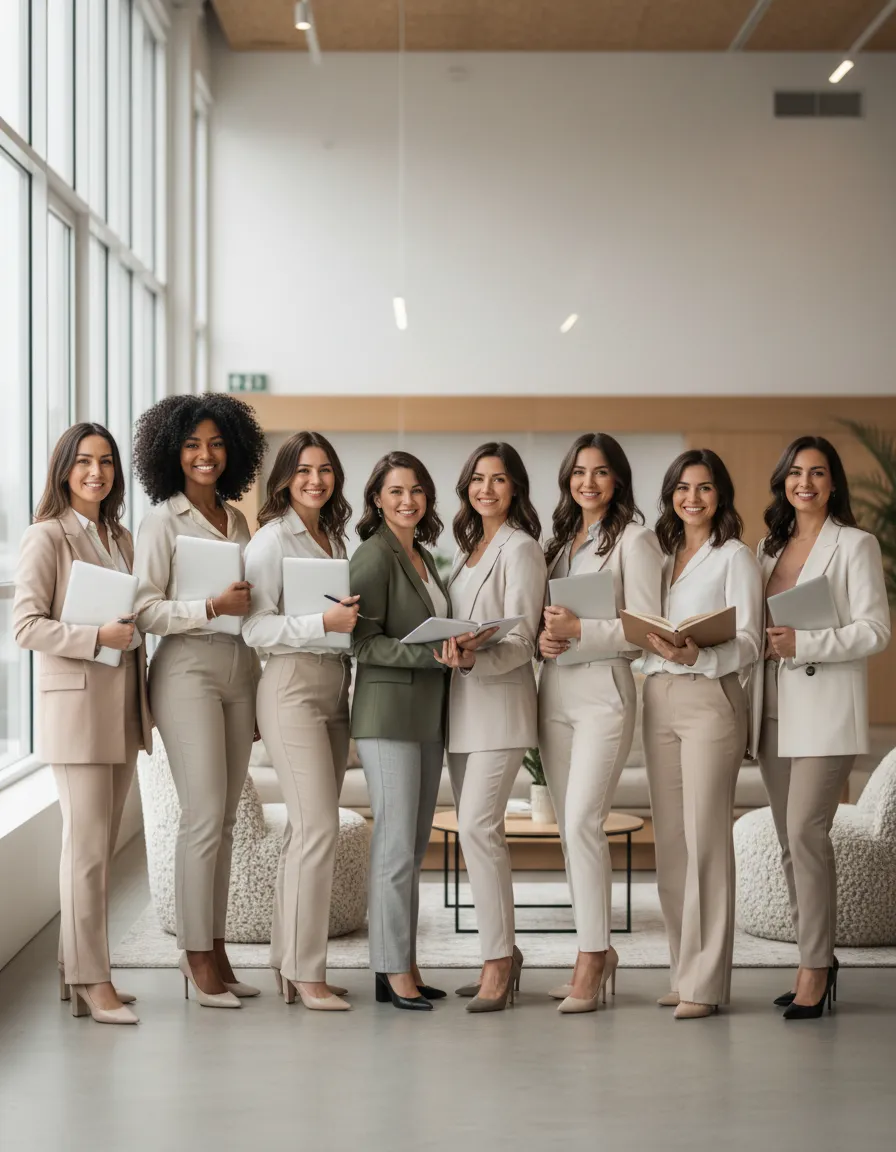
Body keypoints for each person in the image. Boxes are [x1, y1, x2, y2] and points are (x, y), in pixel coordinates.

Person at [13, 424, 153, 1025]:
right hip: (76, 709)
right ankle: (94, 980)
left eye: (106, 463)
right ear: (64, 469)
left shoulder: (119, 535)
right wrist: (98, 635)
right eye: (85, 462)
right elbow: (25, 626)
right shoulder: (47, 535)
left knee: (96, 848)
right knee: (89, 852)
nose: (96, 472)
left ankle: (81, 972)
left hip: (120, 705)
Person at [133, 394, 265, 1008]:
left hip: (240, 669)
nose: (205, 455)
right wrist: (210, 607)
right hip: (186, 672)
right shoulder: (163, 521)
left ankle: (215, 946)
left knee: (229, 819)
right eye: (192, 445)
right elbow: (144, 610)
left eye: (215, 443)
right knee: (204, 816)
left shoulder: (239, 521)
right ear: (172, 453)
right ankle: (193, 956)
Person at [756, 436, 890, 1020]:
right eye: (795, 472)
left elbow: (876, 631)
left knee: (807, 833)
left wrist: (804, 643)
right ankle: (812, 957)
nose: (804, 483)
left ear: (833, 482)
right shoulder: (765, 549)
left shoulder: (855, 545)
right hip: (772, 710)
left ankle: (817, 966)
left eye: (817, 473)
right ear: (783, 481)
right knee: (790, 841)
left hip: (825, 711)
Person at [537, 433, 663, 1013]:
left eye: (601, 472)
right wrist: (545, 639)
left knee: (586, 822)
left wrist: (581, 631)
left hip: (604, 696)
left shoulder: (636, 540)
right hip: (555, 691)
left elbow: (645, 630)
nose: (588, 482)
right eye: (579, 472)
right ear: (567, 479)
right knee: (569, 829)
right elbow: (547, 622)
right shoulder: (559, 543)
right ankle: (593, 950)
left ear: (618, 480)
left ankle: (594, 956)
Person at [640, 449, 762, 1020]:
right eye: (683, 487)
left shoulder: (735, 556)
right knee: (672, 842)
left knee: (707, 838)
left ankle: (706, 983)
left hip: (710, 698)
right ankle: (682, 969)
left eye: (705, 488)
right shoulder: (662, 559)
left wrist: (700, 657)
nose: (693, 497)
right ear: (670, 494)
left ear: (721, 496)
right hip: (658, 696)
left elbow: (753, 642)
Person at [242, 432, 357, 1011]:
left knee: (305, 831)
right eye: (305, 471)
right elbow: (254, 629)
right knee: (318, 829)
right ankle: (306, 971)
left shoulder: (333, 536)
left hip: (336, 689)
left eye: (326, 471)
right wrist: (323, 625)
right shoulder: (269, 540)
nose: (316, 480)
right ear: (284, 477)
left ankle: (286, 962)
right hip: (291, 687)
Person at [438, 443, 545, 1013]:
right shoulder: (465, 550)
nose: (486, 489)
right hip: (462, 708)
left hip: (501, 708)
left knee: (479, 828)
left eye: (498, 480)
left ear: (515, 488)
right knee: (478, 834)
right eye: (477, 479)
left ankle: (499, 963)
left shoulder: (522, 549)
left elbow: (524, 640)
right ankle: (499, 953)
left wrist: (478, 655)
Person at [349, 452, 451, 1011]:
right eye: (395, 491)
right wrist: (436, 652)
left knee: (411, 848)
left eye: (416, 490)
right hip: (388, 718)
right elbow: (361, 644)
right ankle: (391, 970)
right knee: (393, 847)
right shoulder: (373, 555)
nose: (407, 500)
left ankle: (403, 961)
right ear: (377, 500)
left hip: (426, 716)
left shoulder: (425, 558)